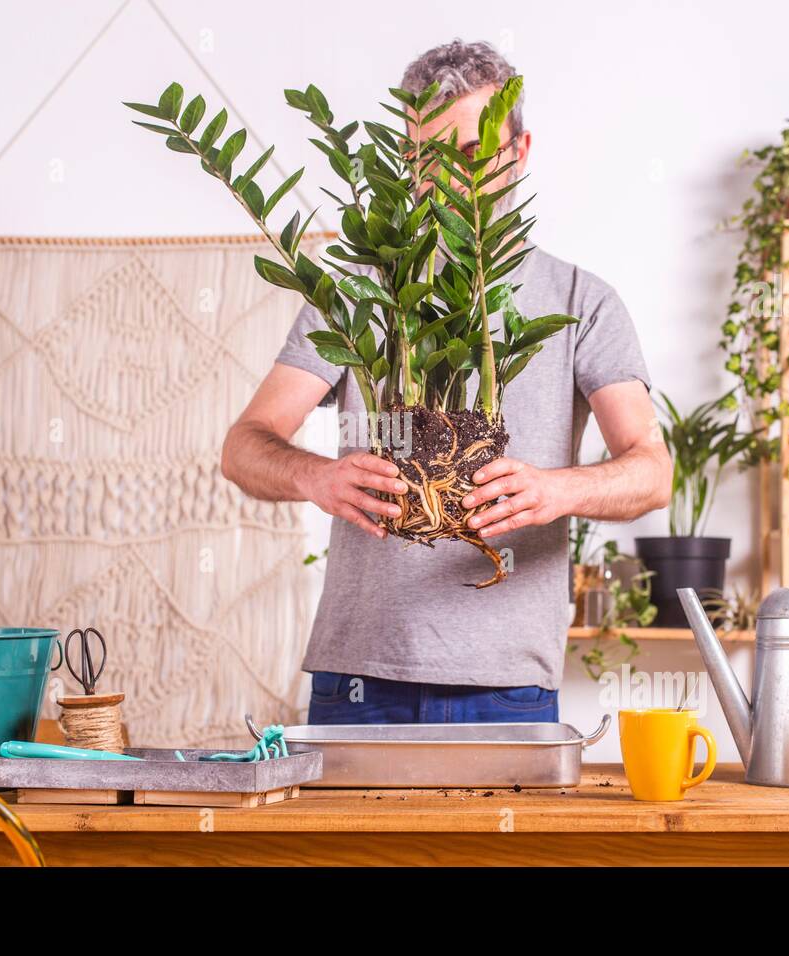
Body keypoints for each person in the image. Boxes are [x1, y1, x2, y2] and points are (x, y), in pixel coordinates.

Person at [221, 40, 670, 724]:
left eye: (472, 156)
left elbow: (652, 472)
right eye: (427, 158)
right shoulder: (357, 291)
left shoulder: (583, 300)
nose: (449, 182)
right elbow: (245, 446)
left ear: (520, 153)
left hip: (508, 684)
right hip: (357, 677)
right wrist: (315, 476)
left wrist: (555, 490)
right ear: (404, 158)